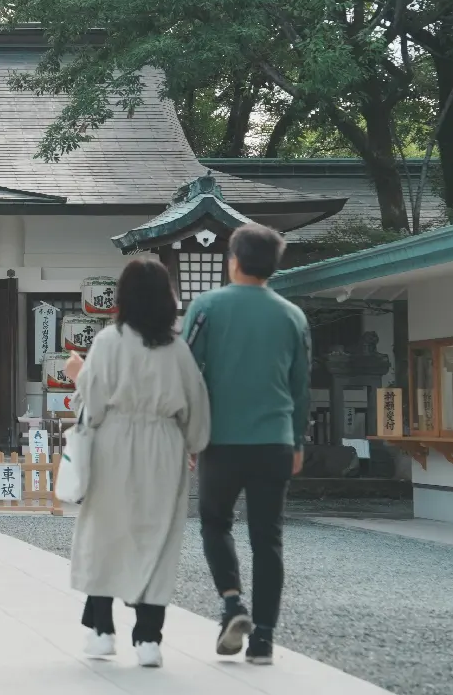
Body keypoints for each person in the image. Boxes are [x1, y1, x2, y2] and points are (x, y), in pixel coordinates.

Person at [62, 255, 212, 668]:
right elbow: (197, 410)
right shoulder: (177, 348)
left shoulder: (108, 342)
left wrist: (78, 374)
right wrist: (192, 444)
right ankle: (149, 638)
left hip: (113, 441)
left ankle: (102, 631)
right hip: (164, 446)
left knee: (105, 533)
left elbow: (90, 406)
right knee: (156, 536)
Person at [183, 222, 311, 666]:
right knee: (267, 538)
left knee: (215, 523)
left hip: (222, 439)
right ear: (274, 266)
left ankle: (233, 604)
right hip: (275, 440)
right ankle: (264, 641)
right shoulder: (293, 315)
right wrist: (298, 441)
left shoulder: (207, 307)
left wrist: (188, 433)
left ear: (233, 260)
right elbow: (301, 387)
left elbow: (186, 372)